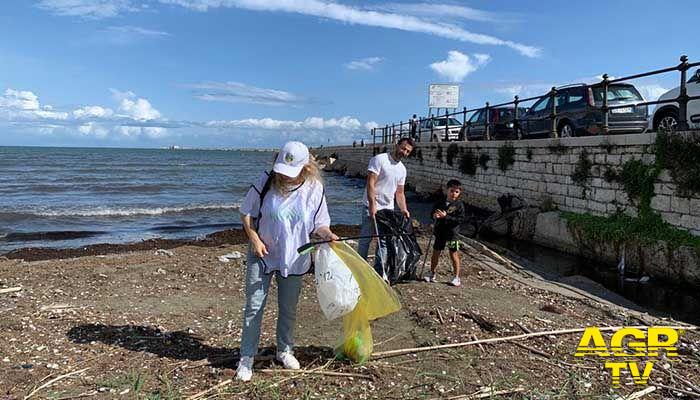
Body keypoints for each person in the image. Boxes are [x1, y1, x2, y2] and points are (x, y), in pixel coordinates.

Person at [236, 141, 339, 382]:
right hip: (262, 255)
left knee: (289, 308)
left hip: (295, 257)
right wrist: (254, 239)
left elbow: (320, 224)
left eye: (291, 172)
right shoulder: (266, 180)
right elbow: (246, 212)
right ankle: (246, 357)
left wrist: (328, 236)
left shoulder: (314, 190)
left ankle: (284, 350)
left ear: (306, 168)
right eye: (281, 169)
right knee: (254, 306)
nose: (284, 175)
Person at [358, 137, 414, 276]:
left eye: (407, 151)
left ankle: (379, 271)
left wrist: (403, 209)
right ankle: (360, 268)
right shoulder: (379, 159)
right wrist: (372, 205)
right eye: (403, 148)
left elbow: (399, 193)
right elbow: (371, 183)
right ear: (397, 145)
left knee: (383, 242)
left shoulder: (402, 169)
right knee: (365, 239)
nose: (404, 152)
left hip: (387, 209)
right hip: (370, 206)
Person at [423, 179, 466, 287]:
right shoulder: (439, 203)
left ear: (459, 193)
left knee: (453, 253)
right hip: (440, 231)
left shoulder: (459, 205)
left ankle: (456, 277)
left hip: (452, 234)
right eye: (452, 191)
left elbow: (460, 220)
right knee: (436, 252)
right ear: (447, 190)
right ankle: (432, 273)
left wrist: (445, 216)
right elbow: (432, 213)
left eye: (456, 192)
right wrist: (434, 216)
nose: (454, 194)